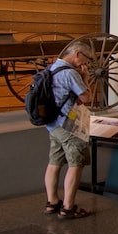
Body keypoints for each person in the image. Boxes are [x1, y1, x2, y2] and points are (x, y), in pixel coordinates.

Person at [43, 41, 95, 219]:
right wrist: (86, 79)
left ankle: (52, 203)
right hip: (69, 126)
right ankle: (68, 207)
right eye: (86, 59)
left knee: (54, 163)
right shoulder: (71, 73)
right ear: (77, 54)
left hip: (53, 125)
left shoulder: (53, 68)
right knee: (75, 165)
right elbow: (85, 97)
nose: (86, 64)